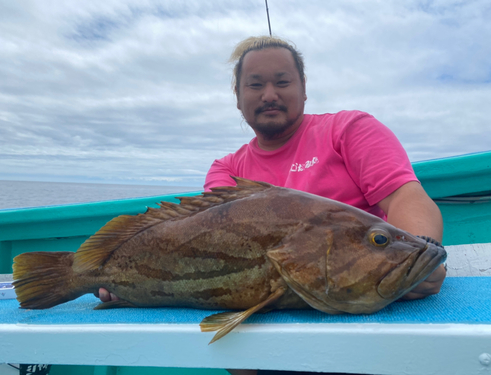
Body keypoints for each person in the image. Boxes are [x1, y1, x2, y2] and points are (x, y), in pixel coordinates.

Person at [98, 36, 446, 375]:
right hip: (266, 339)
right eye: (254, 85)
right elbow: (206, 242)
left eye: (282, 82)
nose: (269, 95)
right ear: (237, 97)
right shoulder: (227, 169)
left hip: (361, 333)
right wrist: (120, 271)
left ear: (304, 88)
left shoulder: (348, 129)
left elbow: (404, 195)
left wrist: (421, 255)